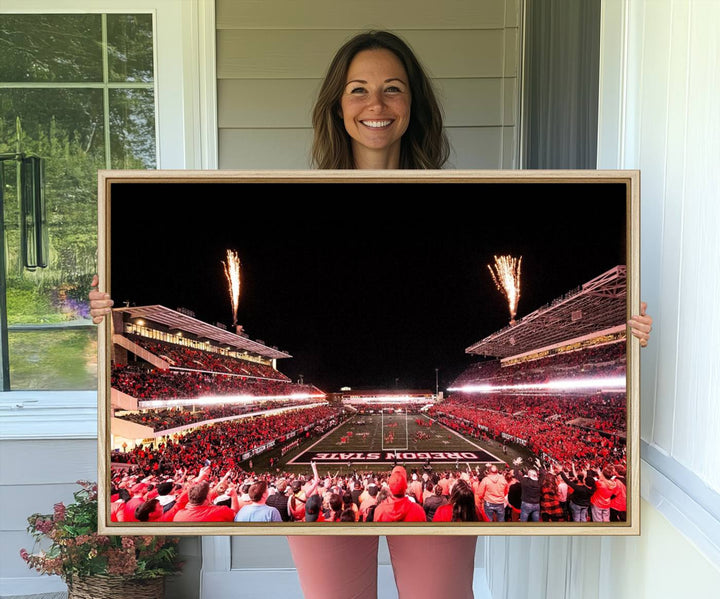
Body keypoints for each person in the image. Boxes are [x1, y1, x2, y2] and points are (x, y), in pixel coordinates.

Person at [89, 29, 654, 599]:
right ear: (337, 103)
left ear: (414, 104)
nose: (376, 104)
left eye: (393, 89)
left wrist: (620, 335)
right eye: (358, 89)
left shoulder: (457, 201)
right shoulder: (296, 205)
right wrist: (105, 317)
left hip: (421, 500)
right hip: (333, 501)